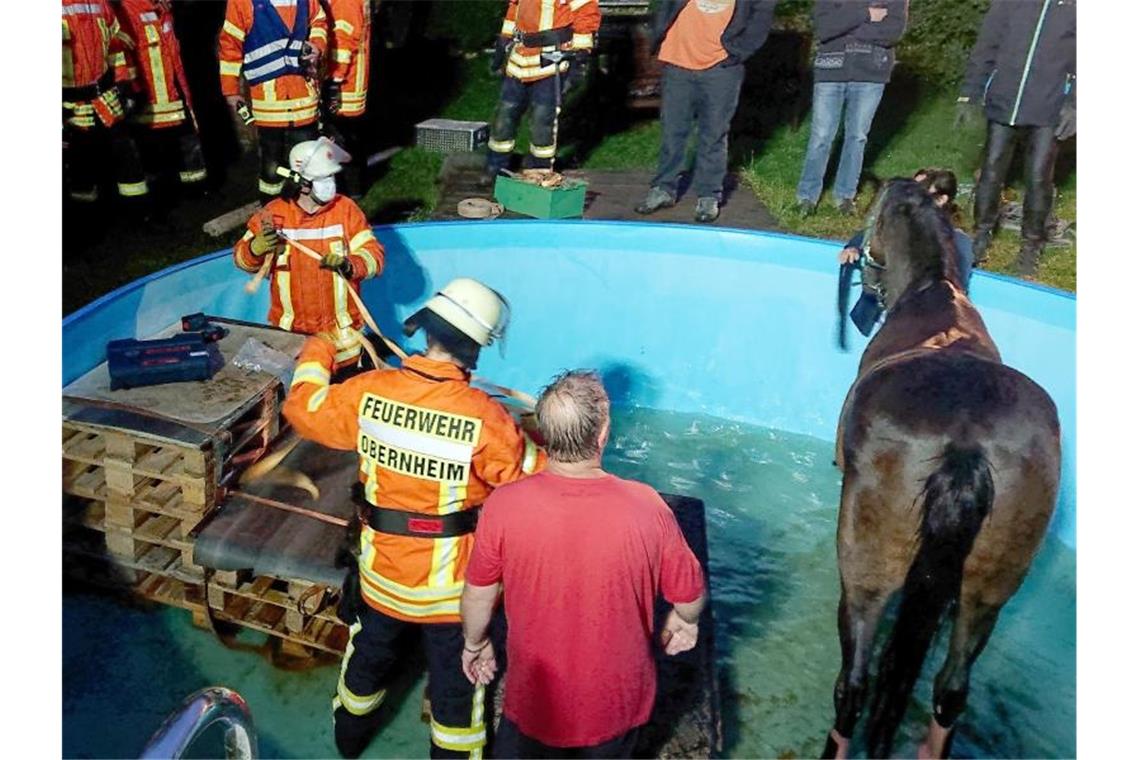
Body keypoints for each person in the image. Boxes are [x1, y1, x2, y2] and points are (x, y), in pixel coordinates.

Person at [282, 278, 546, 758]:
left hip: (381, 580)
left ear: (426, 330)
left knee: (365, 667)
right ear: (478, 351)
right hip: (452, 597)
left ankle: (348, 744)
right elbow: (536, 480)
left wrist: (319, 349)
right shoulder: (485, 417)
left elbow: (304, 409)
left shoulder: (369, 392)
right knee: (457, 693)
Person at [461, 370, 707, 758]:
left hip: (533, 703)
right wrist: (686, 621)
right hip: (616, 708)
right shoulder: (647, 507)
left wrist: (476, 643)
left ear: (542, 433)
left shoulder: (504, 505)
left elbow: (478, 594)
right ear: (604, 431)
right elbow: (689, 593)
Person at [233, 137, 383, 374]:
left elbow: (374, 256)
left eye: (331, 177)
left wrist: (349, 265)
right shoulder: (274, 214)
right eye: (322, 179)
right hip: (291, 341)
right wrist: (256, 249)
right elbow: (242, 260)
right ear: (300, 182)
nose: (330, 184)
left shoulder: (345, 210)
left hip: (343, 345)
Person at [956, 0, 1075, 276]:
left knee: (1038, 176)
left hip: (1049, 106)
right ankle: (982, 233)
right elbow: (987, 44)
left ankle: (1031, 246)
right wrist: (969, 92)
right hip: (1004, 99)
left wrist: (1075, 104)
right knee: (991, 169)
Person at [635, 0, 777, 223]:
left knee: (714, 134)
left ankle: (709, 195)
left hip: (721, 68)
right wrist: (660, 32)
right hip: (677, 62)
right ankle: (664, 188)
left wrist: (738, 51)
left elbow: (761, 15)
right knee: (673, 131)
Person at [794, 0, 909, 217]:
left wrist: (846, 24)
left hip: (871, 73)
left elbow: (893, 32)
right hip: (830, 71)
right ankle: (807, 196)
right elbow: (824, 28)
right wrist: (866, 14)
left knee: (857, 137)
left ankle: (844, 195)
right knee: (821, 136)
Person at [840, 169, 973, 338]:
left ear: (941, 200)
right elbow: (870, 235)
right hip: (883, 318)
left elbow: (954, 289)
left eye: (919, 192)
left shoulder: (957, 242)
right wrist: (853, 248)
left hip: (925, 328)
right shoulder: (901, 225)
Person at [218, 0, 329, 203]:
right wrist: (231, 90)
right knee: (271, 164)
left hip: (303, 99)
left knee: (307, 161)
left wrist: (316, 46)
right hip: (268, 102)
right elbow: (229, 44)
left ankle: (307, 214)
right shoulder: (242, 3)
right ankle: (271, 213)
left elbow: (319, 20)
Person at [484, 0, 601, 180]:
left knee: (543, 118)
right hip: (519, 58)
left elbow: (586, 12)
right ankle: (495, 166)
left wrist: (581, 55)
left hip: (551, 60)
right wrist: (504, 39)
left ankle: (540, 171)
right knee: (505, 113)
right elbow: (514, 8)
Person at [114, 0, 208, 195]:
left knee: (186, 140)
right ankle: (159, 193)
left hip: (171, 91)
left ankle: (196, 189)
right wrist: (132, 88)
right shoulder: (126, 9)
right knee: (150, 146)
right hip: (147, 96)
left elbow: (170, 50)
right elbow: (124, 54)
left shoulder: (162, 7)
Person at [63, 0, 150, 206]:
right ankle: (88, 221)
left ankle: (140, 213)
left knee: (126, 152)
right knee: (80, 164)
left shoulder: (100, 3)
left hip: (104, 95)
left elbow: (115, 45)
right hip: (69, 104)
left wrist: (123, 83)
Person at [323, 0, 374, 198]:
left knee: (342, 139)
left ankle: (348, 190)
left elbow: (343, 42)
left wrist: (334, 80)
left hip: (345, 83)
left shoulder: (344, 2)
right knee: (352, 139)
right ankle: (355, 189)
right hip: (352, 81)